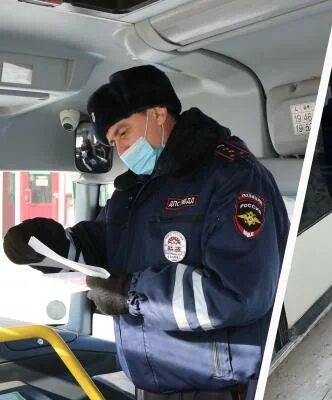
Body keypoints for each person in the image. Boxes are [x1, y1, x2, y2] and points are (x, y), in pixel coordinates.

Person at [3, 65, 290, 399]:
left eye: (123, 132)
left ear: (157, 113)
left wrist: (131, 294)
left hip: (221, 388)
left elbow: (237, 292)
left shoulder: (233, 177)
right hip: (150, 384)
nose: (122, 151)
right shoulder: (136, 190)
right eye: (113, 142)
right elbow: (101, 249)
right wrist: (48, 246)